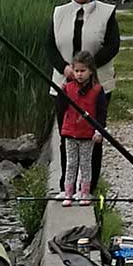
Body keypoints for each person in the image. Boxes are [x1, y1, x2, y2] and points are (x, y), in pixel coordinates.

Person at [46, 0, 120, 194]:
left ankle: (88, 187)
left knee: (93, 137)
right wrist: (66, 69)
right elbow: (49, 46)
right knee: (67, 135)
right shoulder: (59, 13)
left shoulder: (107, 13)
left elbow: (112, 45)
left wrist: (88, 69)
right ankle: (66, 186)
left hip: (98, 84)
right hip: (64, 84)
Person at [58, 53, 105, 205]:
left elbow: (101, 113)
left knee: (86, 164)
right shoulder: (68, 88)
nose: (79, 74)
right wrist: (60, 93)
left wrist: (99, 131)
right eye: (76, 71)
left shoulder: (97, 90)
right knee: (71, 164)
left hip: (87, 134)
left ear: (91, 71)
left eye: (82, 71)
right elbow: (60, 108)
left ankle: (85, 192)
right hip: (70, 133)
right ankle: (68, 193)